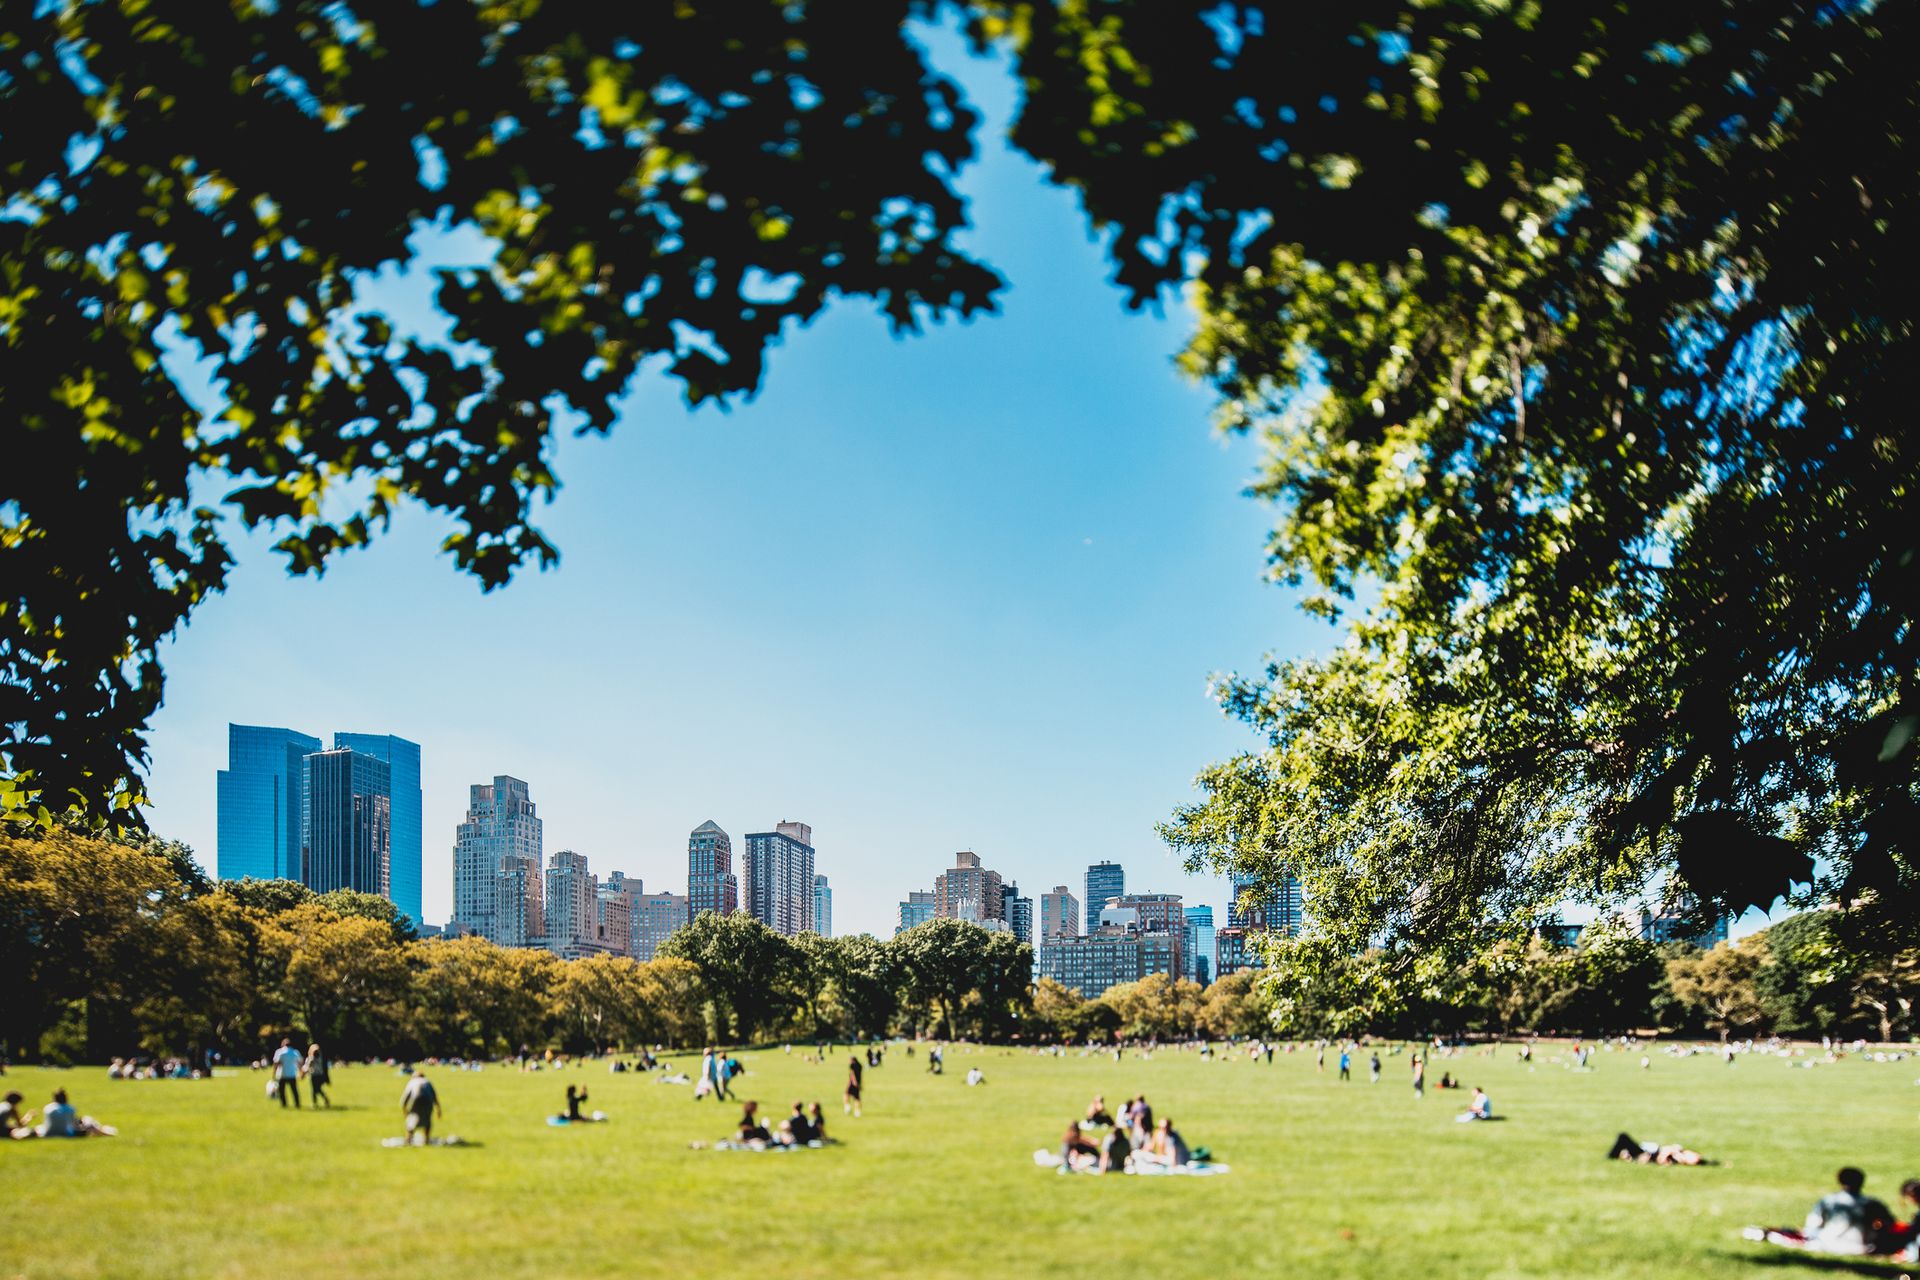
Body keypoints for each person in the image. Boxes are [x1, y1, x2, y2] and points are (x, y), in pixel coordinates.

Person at [1805, 1168, 1894, 1254]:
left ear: (1840, 1181)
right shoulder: (1873, 1203)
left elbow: (1812, 1226)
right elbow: (1890, 1224)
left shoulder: (1828, 1201)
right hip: (1863, 1248)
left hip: (1830, 1245)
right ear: (1862, 1182)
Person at [1606, 1133, 1708, 1165]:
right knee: (1623, 1141)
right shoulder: (1678, 1152)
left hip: (1647, 1154)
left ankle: (1610, 1157)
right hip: (1647, 1152)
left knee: (1623, 1137)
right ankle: (1613, 1156)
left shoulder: (1674, 1159)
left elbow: (1660, 1159)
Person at [400, 1070, 441, 1145]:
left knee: (412, 1118)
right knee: (427, 1119)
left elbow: (405, 1098)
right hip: (428, 1100)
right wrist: (438, 1110)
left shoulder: (412, 1082)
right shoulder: (427, 1082)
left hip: (415, 1099)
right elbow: (435, 1097)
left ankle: (408, 1139)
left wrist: (405, 1110)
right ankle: (426, 1139)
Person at [272, 1037, 303, 1109]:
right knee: (294, 1090)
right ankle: (297, 1104)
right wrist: (300, 1072)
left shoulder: (279, 1052)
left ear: (283, 1044)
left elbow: (276, 1063)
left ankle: (284, 1104)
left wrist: (274, 1074)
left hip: (282, 1074)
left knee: (282, 1091)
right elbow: (300, 1062)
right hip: (292, 1074)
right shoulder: (295, 1052)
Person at [304, 1042, 331, 1108]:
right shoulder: (320, 1056)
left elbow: (308, 1066)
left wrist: (304, 1073)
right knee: (318, 1089)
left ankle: (316, 1103)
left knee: (314, 1090)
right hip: (320, 1075)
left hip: (314, 1075)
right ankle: (324, 1100)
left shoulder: (312, 1058)